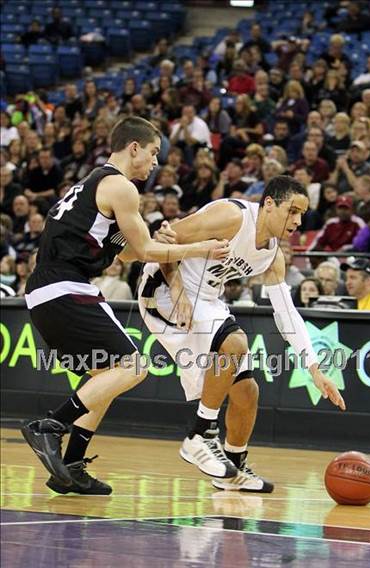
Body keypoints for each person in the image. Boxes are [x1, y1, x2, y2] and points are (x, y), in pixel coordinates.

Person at [20, 117, 230, 496]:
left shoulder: (94, 184)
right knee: (135, 366)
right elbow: (148, 252)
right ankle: (49, 426)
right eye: (152, 153)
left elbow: (134, 251)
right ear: (133, 147)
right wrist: (200, 248)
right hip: (64, 286)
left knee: (104, 378)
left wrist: (160, 238)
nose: (154, 163)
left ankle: (70, 465)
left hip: (47, 290)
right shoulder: (120, 186)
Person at [138, 175, 345, 494]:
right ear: (270, 205)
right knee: (235, 342)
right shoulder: (231, 216)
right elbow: (166, 241)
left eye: (302, 214)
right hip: (164, 291)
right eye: (292, 211)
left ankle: (232, 469)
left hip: (206, 300)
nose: (298, 221)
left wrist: (314, 368)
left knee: (247, 391)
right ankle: (200, 435)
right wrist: (177, 286)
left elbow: (287, 313)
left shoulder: (273, 255)